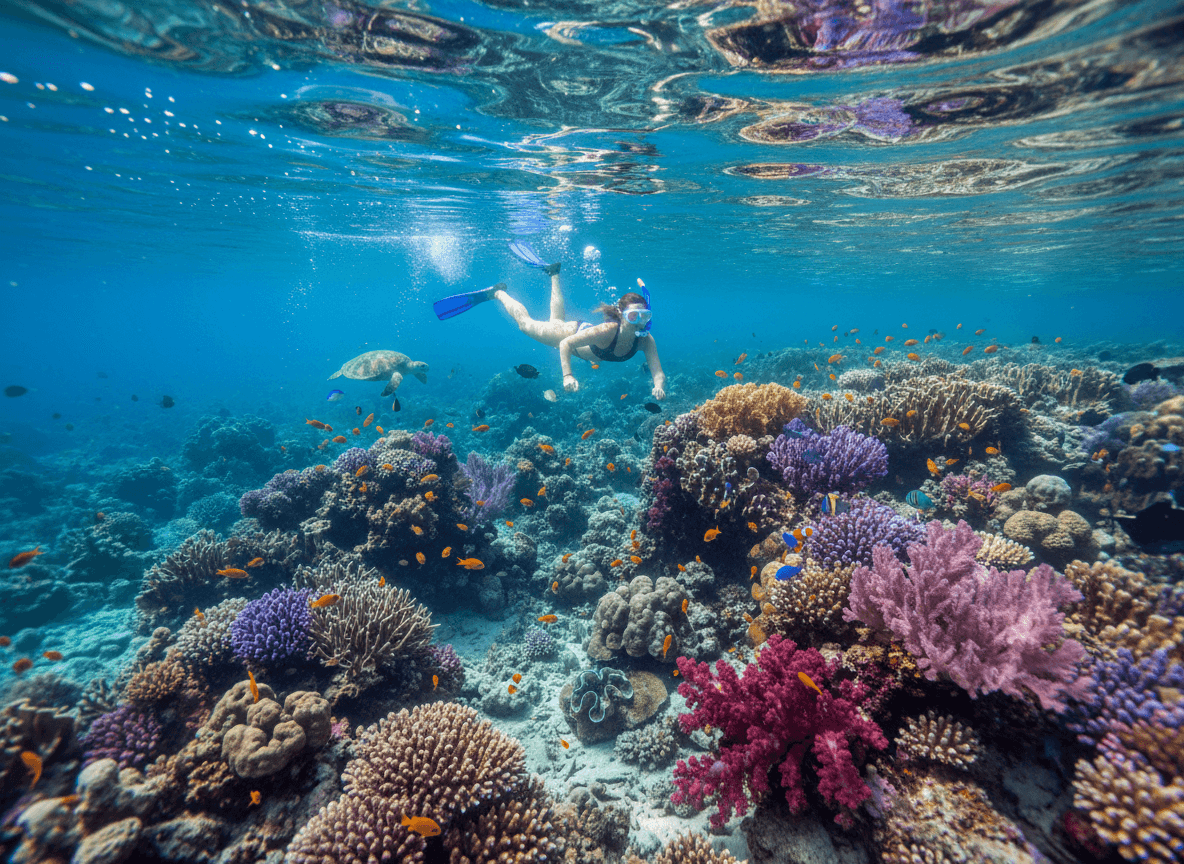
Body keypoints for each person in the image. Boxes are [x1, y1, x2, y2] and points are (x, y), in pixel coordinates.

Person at [433, 243, 667, 400]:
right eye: (633, 316)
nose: (639, 322)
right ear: (621, 315)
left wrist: (658, 386)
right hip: (567, 334)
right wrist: (568, 375)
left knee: (556, 319)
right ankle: (497, 293)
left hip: (577, 331)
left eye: (644, 316)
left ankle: (553, 273)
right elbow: (565, 344)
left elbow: (658, 371)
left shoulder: (645, 341)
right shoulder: (607, 331)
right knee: (526, 325)